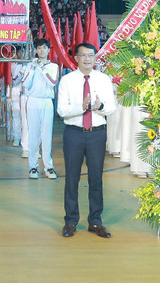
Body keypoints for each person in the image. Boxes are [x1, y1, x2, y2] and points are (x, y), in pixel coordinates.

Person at [57, 43, 117, 238]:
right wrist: (81, 107)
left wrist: (100, 106)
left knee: (96, 178)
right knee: (72, 178)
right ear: (76, 58)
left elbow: (112, 108)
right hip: (73, 134)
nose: (87, 59)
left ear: (95, 58)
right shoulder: (67, 80)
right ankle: (70, 221)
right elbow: (62, 110)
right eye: (83, 55)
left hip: (97, 134)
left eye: (91, 55)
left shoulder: (104, 80)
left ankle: (95, 221)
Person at [21, 39, 59, 179]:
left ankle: (49, 167)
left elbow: (52, 83)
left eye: (44, 48)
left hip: (47, 102)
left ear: (48, 50)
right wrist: (32, 68)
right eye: (39, 48)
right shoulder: (30, 65)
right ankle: (33, 167)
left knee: (47, 135)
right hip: (33, 101)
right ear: (36, 50)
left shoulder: (53, 66)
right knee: (33, 135)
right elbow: (25, 83)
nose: (42, 50)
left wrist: (42, 68)